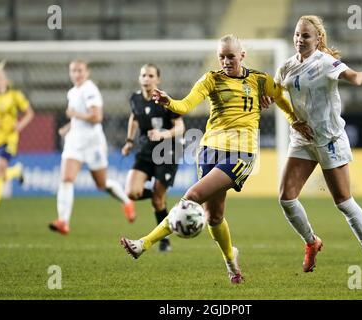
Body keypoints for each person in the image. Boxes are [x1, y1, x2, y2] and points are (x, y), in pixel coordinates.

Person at [119, 35, 311, 284]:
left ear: (242, 55)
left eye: (230, 56)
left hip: (241, 153)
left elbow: (282, 99)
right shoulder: (211, 79)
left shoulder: (259, 80)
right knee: (214, 216)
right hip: (210, 151)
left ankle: (143, 243)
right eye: (221, 56)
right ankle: (232, 263)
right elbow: (186, 105)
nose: (225, 61)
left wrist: (294, 120)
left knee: (191, 197)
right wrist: (170, 103)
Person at [272, 15, 362, 284]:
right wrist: (290, 118)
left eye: (306, 36)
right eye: (297, 34)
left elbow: (355, 78)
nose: (300, 39)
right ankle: (311, 242)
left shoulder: (325, 63)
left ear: (318, 39)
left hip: (329, 140)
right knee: (286, 197)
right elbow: (275, 93)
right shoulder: (287, 67)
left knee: (343, 202)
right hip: (302, 139)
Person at [49, 59, 133, 235]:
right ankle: (63, 221)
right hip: (74, 141)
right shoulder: (72, 92)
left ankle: (126, 202)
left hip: (93, 142)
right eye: (73, 71)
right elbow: (77, 119)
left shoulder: (90, 90)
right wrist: (68, 126)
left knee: (101, 184)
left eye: (80, 71)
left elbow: (96, 117)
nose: (77, 74)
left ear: (87, 73)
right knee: (66, 179)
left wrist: (74, 114)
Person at [121, 63, 185, 252]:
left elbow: (181, 127)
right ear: (139, 78)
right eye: (143, 75)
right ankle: (162, 201)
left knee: (157, 200)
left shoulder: (165, 101)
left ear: (158, 79)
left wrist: (163, 134)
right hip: (145, 151)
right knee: (132, 192)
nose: (146, 79)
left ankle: (164, 241)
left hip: (167, 152)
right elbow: (134, 118)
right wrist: (129, 141)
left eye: (150, 76)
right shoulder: (135, 99)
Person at [0, 68, 34, 219]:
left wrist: (19, 125)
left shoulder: (15, 96)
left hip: (9, 138)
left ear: (6, 81)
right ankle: (16, 171)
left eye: (0, 78)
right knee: (0, 174)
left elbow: (29, 113)